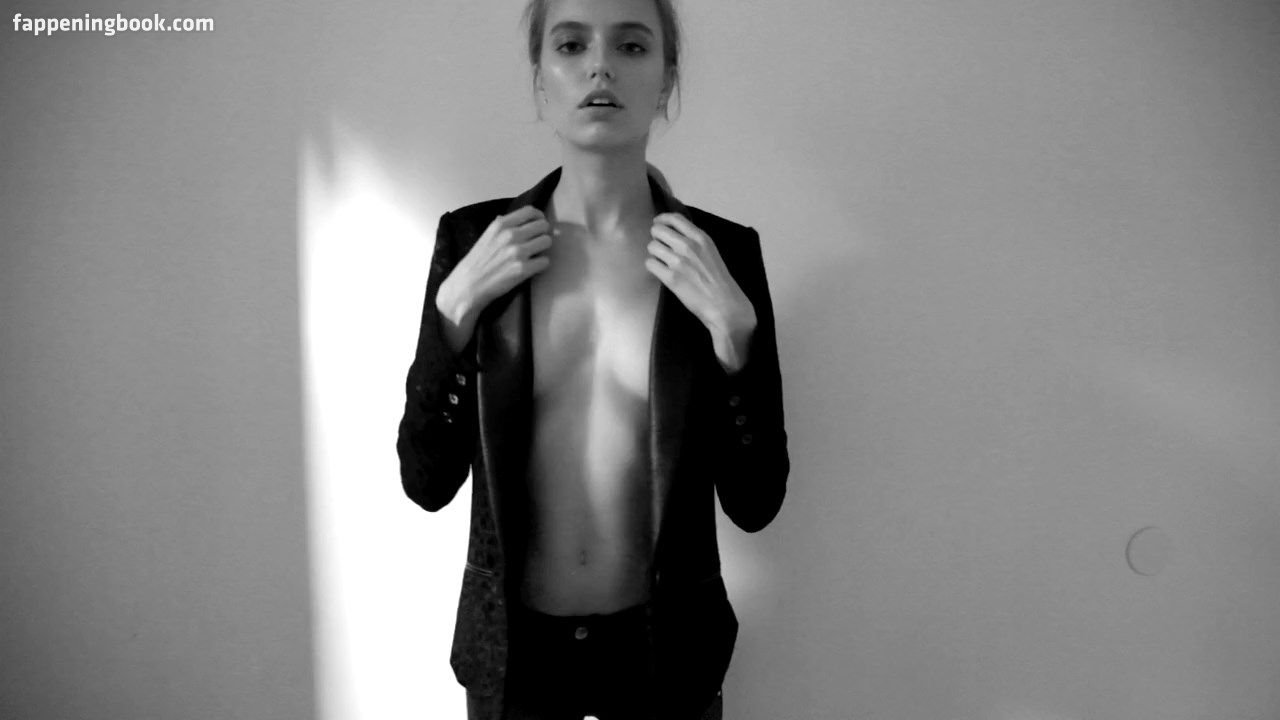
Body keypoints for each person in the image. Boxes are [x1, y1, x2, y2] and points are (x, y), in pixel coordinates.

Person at [396, 0, 788, 717]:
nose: (600, 67)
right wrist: (452, 315)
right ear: (540, 78)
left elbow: (756, 501)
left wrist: (737, 340)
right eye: (572, 45)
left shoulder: (721, 257)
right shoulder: (475, 243)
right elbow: (426, 481)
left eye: (631, 47)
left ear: (667, 78)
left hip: (667, 654)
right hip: (514, 656)